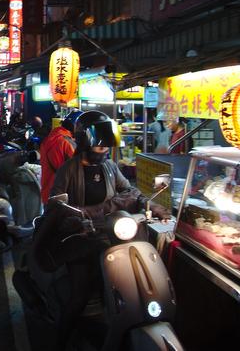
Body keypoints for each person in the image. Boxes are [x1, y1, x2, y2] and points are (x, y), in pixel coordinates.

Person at [48, 110, 170, 345]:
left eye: (106, 145)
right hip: (80, 238)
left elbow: (129, 192)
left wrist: (150, 204)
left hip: (111, 234)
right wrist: (85, 214)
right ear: (85, 140)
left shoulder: (110, 167)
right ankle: (60, 341)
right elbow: (57, 206)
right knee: (80, 295)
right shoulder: (68, 171)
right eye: (99, 145)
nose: (104, 149)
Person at [38, 111, 79, 205]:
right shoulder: (66, 142)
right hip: (62, 196)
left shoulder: (51, 137)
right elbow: (77, 169)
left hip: (48, 192)